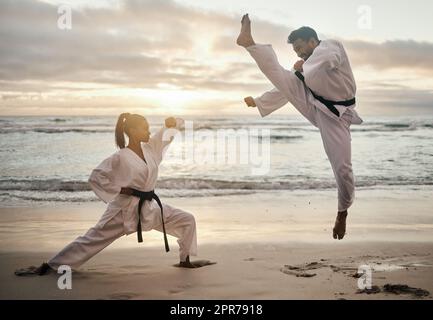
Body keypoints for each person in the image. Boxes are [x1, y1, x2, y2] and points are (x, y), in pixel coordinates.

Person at [16, 113, 213, 276]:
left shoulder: (151, 148)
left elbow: (168, 131)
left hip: (150, 208)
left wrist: (172, 123)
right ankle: (49, 266)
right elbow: (96, 177)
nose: (148, 131)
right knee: (91, 239)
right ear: (133, 131)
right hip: (124, 210)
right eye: (144, 128)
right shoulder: (119, 157)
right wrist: (120, 190)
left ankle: (185, 260)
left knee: (187, 220)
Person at [237, 14, 363, 240]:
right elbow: (287, 88)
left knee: (342, 168)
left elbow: (328, 60)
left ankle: (342, 212)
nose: (298, 53)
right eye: (295, 50)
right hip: (316, 106)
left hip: (337, 118)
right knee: (283, 76)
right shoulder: (306, 65)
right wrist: (258, 101)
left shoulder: (331, 47)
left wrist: (305, 67)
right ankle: (250, 44)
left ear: (313, 41)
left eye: (300, 48)